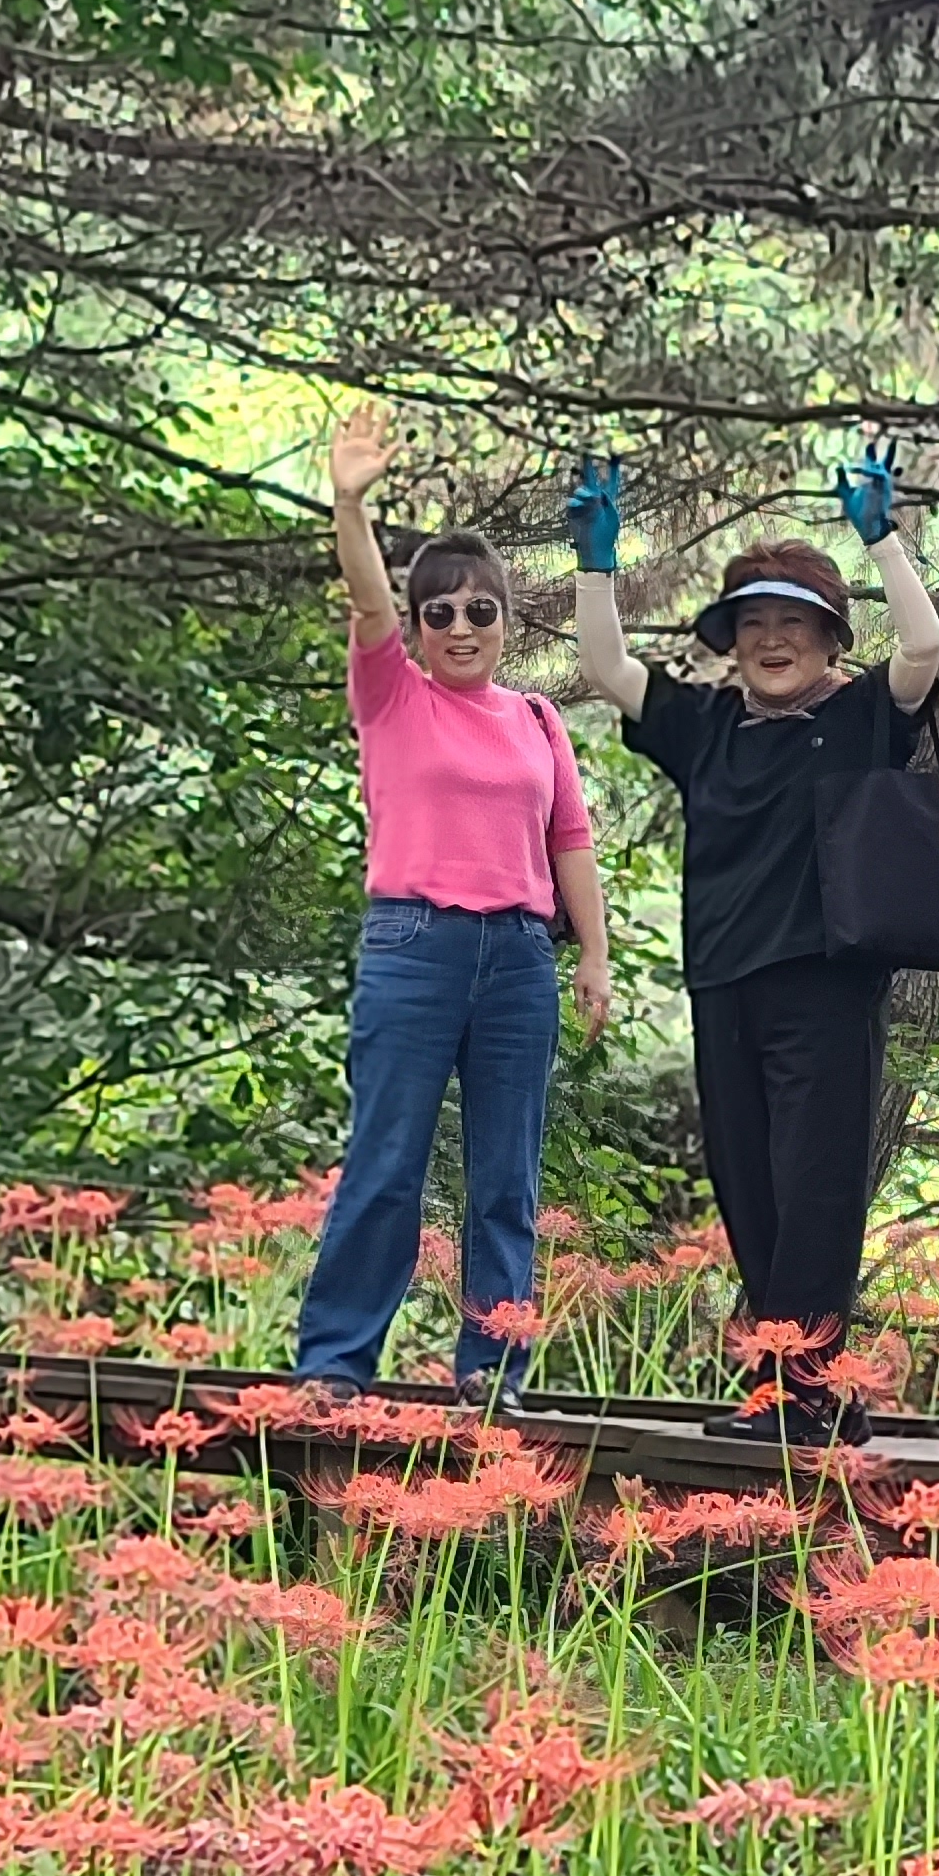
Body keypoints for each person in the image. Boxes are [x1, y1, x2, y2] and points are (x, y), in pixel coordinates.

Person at [566, 446, 939, 1442]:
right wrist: (597, 564)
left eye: (794, 622)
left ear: (829, 637)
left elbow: (924, 646)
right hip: (724, 986)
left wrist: (883, 540)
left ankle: (802, 1391)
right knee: (750, 1190)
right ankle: (807, 1389)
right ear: (731, 641)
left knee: (817, 1186)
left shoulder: (860, 716)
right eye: (754, 623)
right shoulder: (708, 727)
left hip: (826, 988)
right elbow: (609, 669)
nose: (773, 640)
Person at [294, 406, 614, 1406]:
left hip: (518, 959)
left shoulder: (536, 718)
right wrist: (350, 504)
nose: (462, 628)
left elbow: (569, 839)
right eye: (441, 613)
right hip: (415, 945)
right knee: (386, 1159)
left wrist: (594, 955)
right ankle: (336, 1362)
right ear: (420, 626)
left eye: (481, 610)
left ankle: (493, 1369)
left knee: (507, 1175)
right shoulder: (393, 693)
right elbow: (367, 598)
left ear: (507, 621)